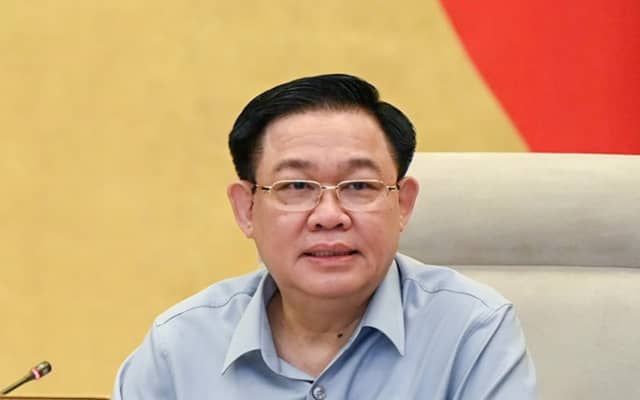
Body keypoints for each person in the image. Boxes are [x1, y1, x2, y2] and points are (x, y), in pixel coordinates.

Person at [112, 74, 537, 399]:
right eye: (297, 186)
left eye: (359, 186)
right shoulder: (180, 345)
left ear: (403, 204)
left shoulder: (471, 330)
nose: (329, 216)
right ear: (246, 209)